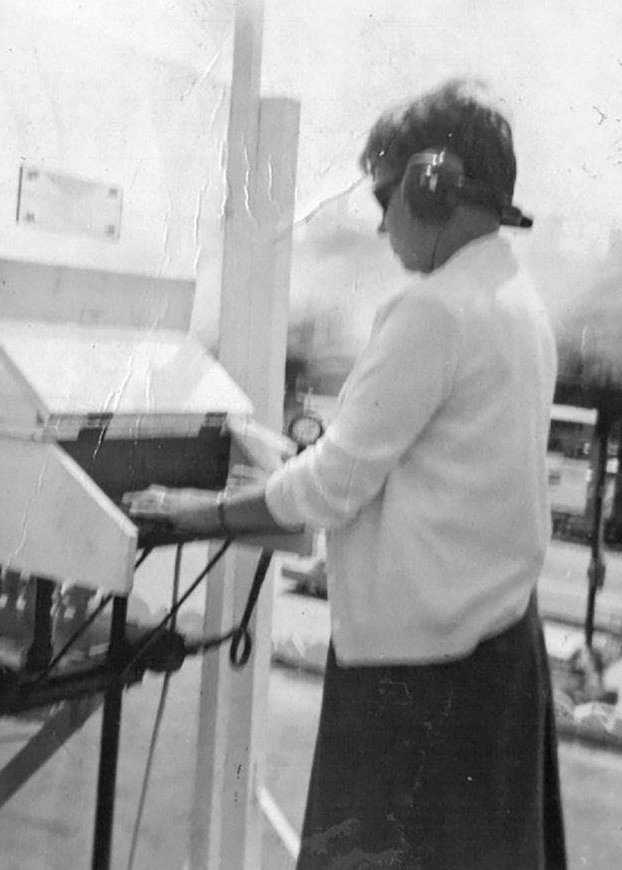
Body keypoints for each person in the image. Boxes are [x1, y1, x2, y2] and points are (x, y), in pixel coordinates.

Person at [126, 79, 567, 869]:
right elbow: (423, 467)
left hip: (416, 679)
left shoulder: (433, 309)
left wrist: (192, 511)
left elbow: (333, 487)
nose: (381, 218)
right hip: (498, 654)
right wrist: (296, 465)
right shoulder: (515, 299)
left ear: (432, 186)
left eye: (386, 193)